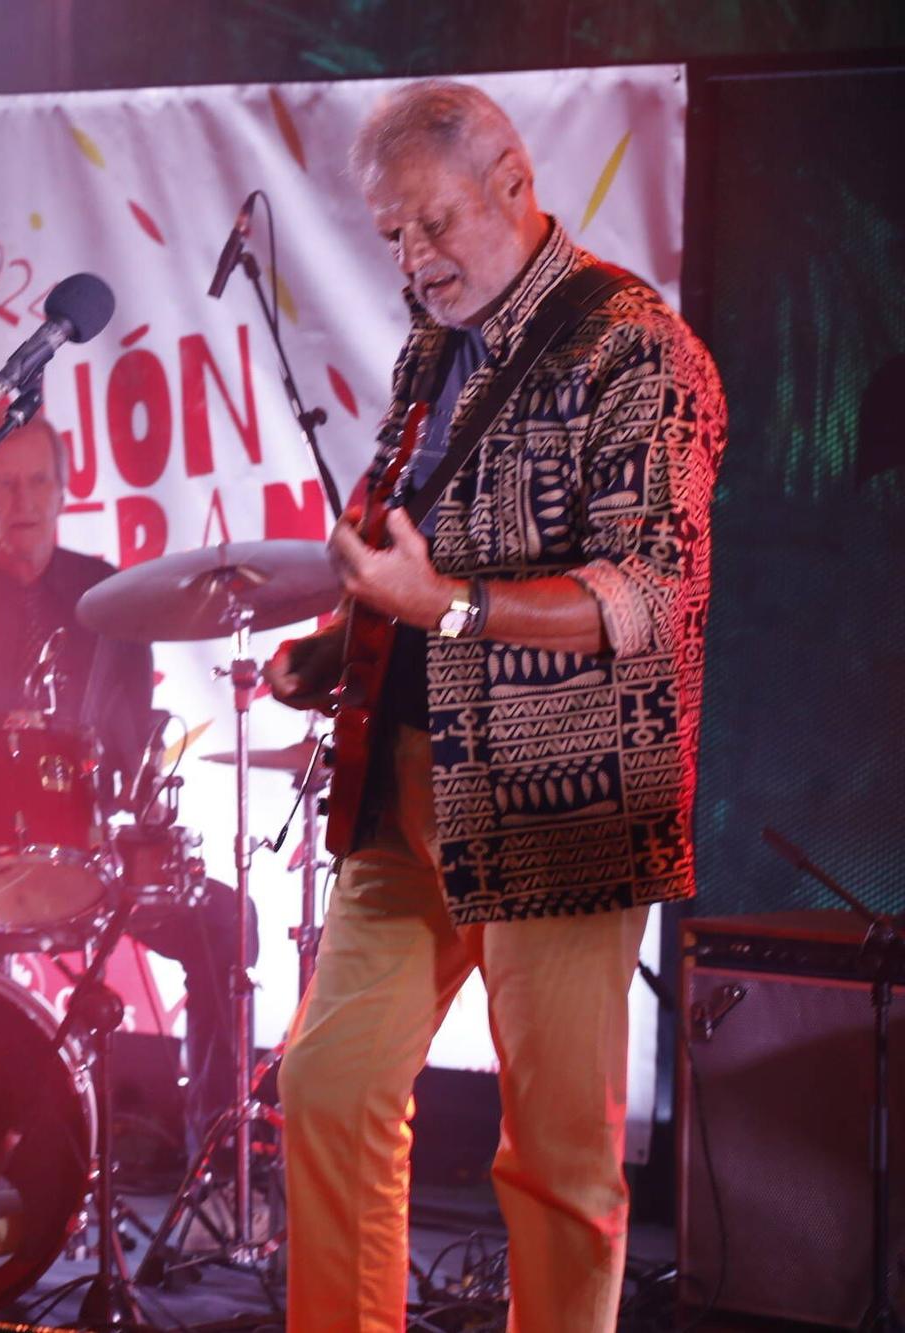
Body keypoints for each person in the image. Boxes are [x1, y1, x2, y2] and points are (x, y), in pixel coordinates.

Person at [265, 81, 726, 1330]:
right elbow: (416, 552)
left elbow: (647, 594)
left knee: (555, 1163)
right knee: (325, 1086)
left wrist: (441, 605)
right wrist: (341, 643)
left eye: (432, 225)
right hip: (404, 784)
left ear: (514, 183)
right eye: (390, 239)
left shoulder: (637, 347)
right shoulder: (428, 350)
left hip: (560, 798)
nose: (412, 263)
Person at [0, 409, 256, 1169]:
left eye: (38, 483)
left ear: (63, 490)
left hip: (86, 853)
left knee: (226, 920)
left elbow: (125, 740)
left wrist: (145, 785)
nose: (23, 502)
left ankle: (214, 1153)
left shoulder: (107, 594)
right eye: (2, 485)